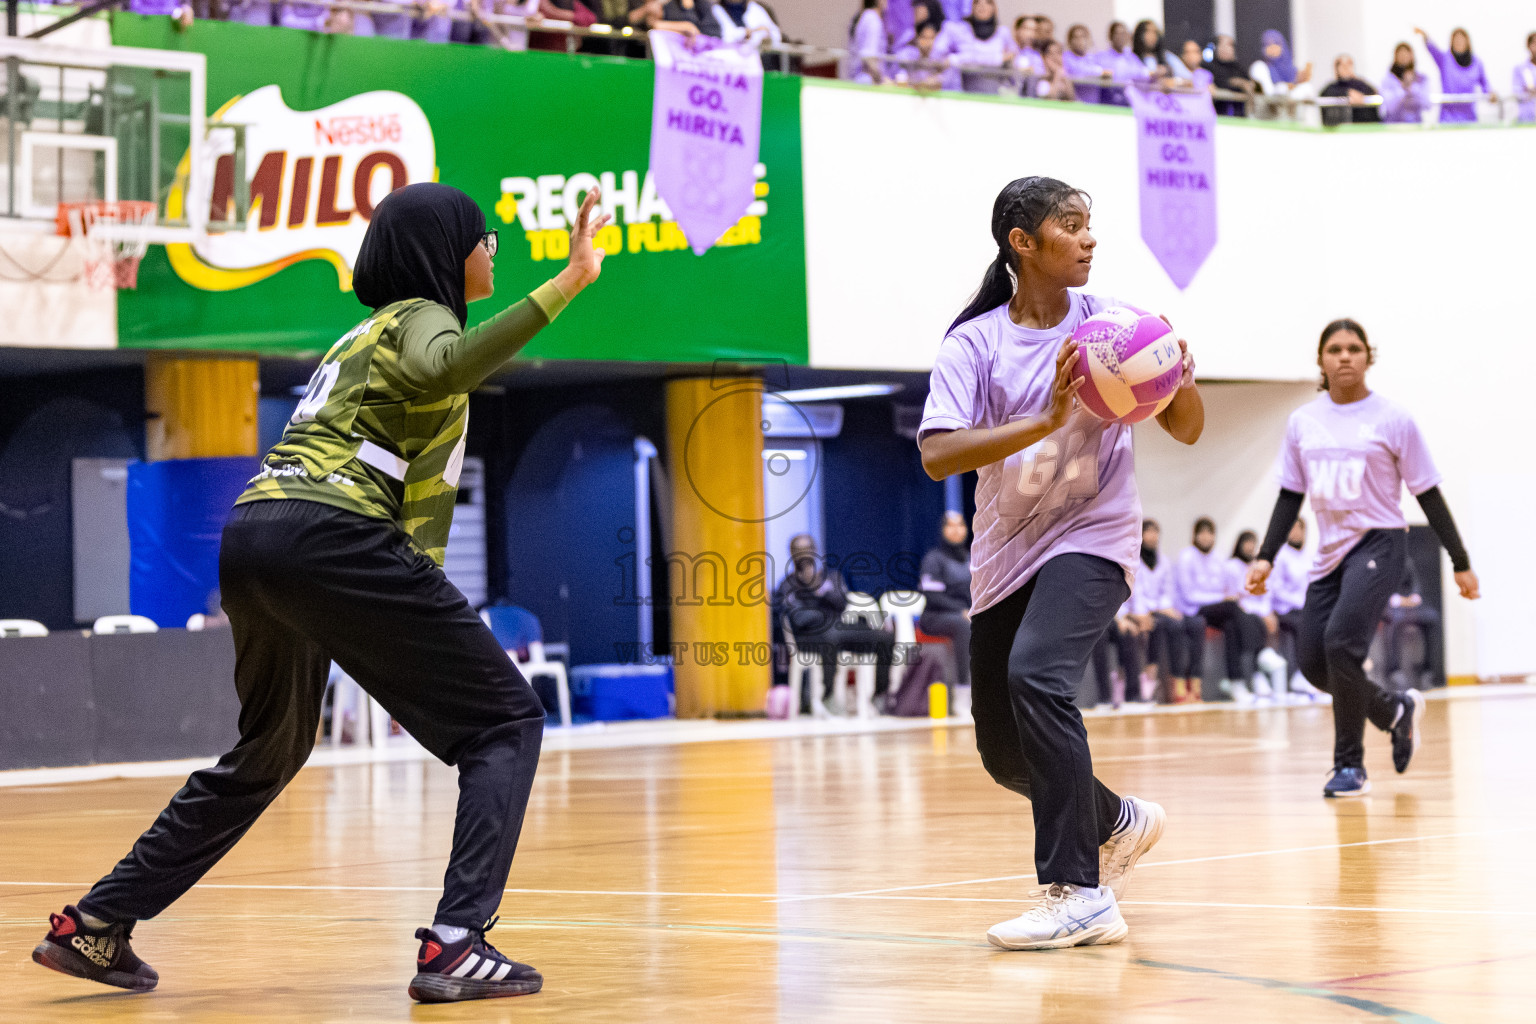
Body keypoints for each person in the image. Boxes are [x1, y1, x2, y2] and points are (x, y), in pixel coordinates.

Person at [30, 184, 612, 1002]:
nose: (493, 253)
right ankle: (455, 942)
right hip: (331, 534)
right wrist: (570, 281)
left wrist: (413, 648)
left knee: (267, 751)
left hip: (257, 535)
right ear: (446, 253)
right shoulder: (423, 318)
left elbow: (408, 494)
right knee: (507, 720)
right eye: (486, 240)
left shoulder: (362, 332)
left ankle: (96, 924)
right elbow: (448, 366)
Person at [919, 175, 1204, 950]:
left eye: (1089, 224)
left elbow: (1186, 428)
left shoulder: (1115, 327)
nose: (1089, 238)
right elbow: (939, 455)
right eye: (1071, 225)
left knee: (1038, 675)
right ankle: (1116, 819)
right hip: (1006, 551)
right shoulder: (974, 343)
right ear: (1023, 242)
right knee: (1005, 752)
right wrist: (1040, 417)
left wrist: (1177, 367)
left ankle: (1078, 892)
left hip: (1094, 536)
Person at [1246, 318, 1480, 799]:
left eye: (1355, 348)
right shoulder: (1302, 423)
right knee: (1314, 663)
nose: (1345, 356)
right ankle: (1394, 710)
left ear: (1367, 357)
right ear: (1322, 360)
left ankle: (1349, 767)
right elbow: (1290, 496)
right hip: (1329, 554)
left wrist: (1460, 561)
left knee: (1341, 644)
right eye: (1335, 348)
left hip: (1380, 543)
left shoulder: (1394, 419)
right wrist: (1265, 556)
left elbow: (1429, 494)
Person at [773, 534, 896, 712]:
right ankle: (828, 696)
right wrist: (820, 606)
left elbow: (843, 604)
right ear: (792, 555)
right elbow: (799, 618)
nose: (805, 555)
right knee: (831, 635)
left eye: (808, 549)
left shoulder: (830, 577)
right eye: (799, 551)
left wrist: (821, 591)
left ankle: (879, 696)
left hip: (839, 630)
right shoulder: (787, 585)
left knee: (884, 638)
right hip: (809, 637)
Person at [1174, 517, 1254, 701]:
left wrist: (1225, 597)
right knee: (1233, 608)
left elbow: (1226, 588)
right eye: (1202, 532)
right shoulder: (1187, 556)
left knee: (1232, 626)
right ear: (1195, 535)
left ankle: (1236, 682)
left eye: (1210, 532)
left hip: (1217, 609)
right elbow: (1189, 595)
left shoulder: (1218, 558)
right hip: (1193, 610)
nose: (1206, 537)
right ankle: (1256, 650)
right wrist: (1221, 598)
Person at [1125, 519, 1190, 704]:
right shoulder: (1132, 560)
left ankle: (1177, 681)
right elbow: (1134, 593)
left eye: (1156, 532)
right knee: (1158, 625)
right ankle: (1149, 678)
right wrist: (1142, 614)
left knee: (1178, 624)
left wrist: (1164, 609)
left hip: (1158, 609)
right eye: (1149, 532)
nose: (1153, 536)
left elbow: (1166, 592)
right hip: (1134, 610)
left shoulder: (1164, 561)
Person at [1269, 518, 1326, 702]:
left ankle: (1321, 676)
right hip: (1285, 608)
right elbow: (1276, 589)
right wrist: (1300, 602)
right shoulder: (1280, 556)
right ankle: (1300, 675)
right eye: (1291, 529)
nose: (1295, 533)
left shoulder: (1309, 556)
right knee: (1304, 624)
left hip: (1305, 607)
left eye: (1298, 529)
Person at [1227, 529, 1286, 701]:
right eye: (1247, 542)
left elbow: (1264, 595)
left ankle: (1259, 670)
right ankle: (1256, 672)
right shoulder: (1231, 566)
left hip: (1256, 612)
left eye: (1253, 542)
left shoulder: (1257, 567)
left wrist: (1267, 614)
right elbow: (1235, 597)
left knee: (1261, 620)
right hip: (1242, 611)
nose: (1250, 546)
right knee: (1247, 621)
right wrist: (1258, 613)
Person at [918, 511, 972, 686]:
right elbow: (932, 596)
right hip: (935, 617)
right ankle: (964, 687)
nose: (956, 530)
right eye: (951, 525)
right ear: (942, 530)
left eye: (960, 525)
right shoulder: (933, 560)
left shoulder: (973, 559)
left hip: (967, 614)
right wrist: (961, 610)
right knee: (963, 625)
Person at [1382, 556, 1442, 691]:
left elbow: (1416, 586)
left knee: (1431, 618)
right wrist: (1398, 600)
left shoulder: (1406, 561)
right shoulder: (1378, 561)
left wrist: (1411, 599)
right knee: (1393, 623)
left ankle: (1428, 670)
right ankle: (1394, 670)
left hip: (1409, 607)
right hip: (1389, 607)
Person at [1414, 27, 1492, 124]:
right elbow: (1432, 49)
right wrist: (1425, 36)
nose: (1459, 42)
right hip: (1448, 119)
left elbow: (1485, 84)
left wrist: (1491, 94)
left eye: (1461, 39)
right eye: (1456, 40)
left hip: (1470, 118)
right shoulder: (1445, 59)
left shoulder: (1476, 62)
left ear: (1467, 42)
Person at [950, 0, 1015, 94]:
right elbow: (951, 59)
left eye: (988, 2)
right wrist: (998, 58)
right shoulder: (962, 31)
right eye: (977, 2)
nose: (982, 6)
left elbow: (1012, 56)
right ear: (972, 8)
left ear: (994, 8)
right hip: (966, 93)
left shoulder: (1003, 32)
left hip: (995, 93)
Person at [1250, 28, 1315, 114]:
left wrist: (1298, 82)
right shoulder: (1260, 67)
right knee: (1281, 88)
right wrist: (1285, 88)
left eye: (1276, 43)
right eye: (1268, 44)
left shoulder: (1292, 70)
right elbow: (1270, 94)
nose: (1272, 48)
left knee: (1307, 87)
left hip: (1291, 115)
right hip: (1269, 114)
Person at [893, 18, 959, 91]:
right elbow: (899, 78)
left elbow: (943, 82)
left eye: (931, 38)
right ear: (917, 38)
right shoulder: (907, 54)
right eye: (924, 38)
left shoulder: (940, 58)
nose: (928, 43)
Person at [1093, 21, 1147, 106]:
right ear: (1110, 36)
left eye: (1124, 34)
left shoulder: (1132, 57)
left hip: (1130, 101)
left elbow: (1143, 74)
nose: (1121, 37)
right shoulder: (1101, 57)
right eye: (1118, 34)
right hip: (1109, 102)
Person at [1320, 54, 1381, 125]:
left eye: (1349, 64)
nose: (1346, 68)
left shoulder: (1362, 85)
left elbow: (1375, 95)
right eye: (1342, 65)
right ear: (1336, 68)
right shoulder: (1331, 88)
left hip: (1362, 127)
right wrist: (1346, 94)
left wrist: (1361, 98)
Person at [1380, 42, 1432, 123]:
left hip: (1415, 126)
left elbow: (1427, 104)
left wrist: (1412, 88)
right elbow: (1389, 107)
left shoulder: (1421, 79)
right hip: (1393, 126)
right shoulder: (1388, 79)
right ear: (1395, 57)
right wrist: (1403, 88)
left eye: (1406, 54)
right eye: (1400, 54)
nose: (1403, 57)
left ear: (1412, 56)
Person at [1202, 34, 1253, 115]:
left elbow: (1248, 82)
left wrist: (1242, 84)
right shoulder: (1207, 66)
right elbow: (1217, 81)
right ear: (1216, 48)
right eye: (1224, 45)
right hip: (1217, 112)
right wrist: (1234, 82)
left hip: (1239, 114)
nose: (1227, 49)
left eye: (1230, 46)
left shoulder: (1237, 67)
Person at [848, 0, 890, 85]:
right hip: (868, 81)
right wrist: (882, 80)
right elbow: (869, 56)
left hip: (864, 79)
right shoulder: (872, 19)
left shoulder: (866, 16)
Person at [1062, 24, 1106, 104]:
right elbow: (1078, 72)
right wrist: (1096, 72)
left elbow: (1103, 72)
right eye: (1076, 37)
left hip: (1094, 104)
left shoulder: (1093, 57)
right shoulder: (1066, 57)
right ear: (1070, 40)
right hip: (1075, 104)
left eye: (1083, 37)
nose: (1080, 40)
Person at [713, 0, 781, 46]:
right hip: (729, 59)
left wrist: (765, 35)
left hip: (759, 58)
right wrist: (747, 33)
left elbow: (775, 34)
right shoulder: (715, 9)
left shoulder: (755, 7)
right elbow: (723, 37)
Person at [1513, 32, 1536, 123]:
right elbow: (1517, 92)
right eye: (1534, 43)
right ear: (1528, 46)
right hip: (1526, 118)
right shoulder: (1520, 69)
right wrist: (1529, 92)